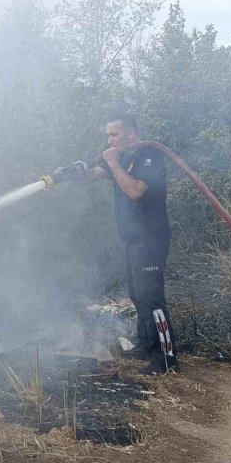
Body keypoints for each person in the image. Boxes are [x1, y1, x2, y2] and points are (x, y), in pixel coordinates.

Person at [82, 116, 178, 375]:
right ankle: (147, 345)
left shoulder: (150, 156)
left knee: (152, 298)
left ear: (131, 134)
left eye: (113, 135)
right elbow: (94, 174)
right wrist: (71, 174)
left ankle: (166, 357)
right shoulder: (121, 160)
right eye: (107, 136)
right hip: (133, 240)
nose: (109, 140)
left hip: (151, 238)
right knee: (137, 295)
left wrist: (112, 161)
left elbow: (135, 190)